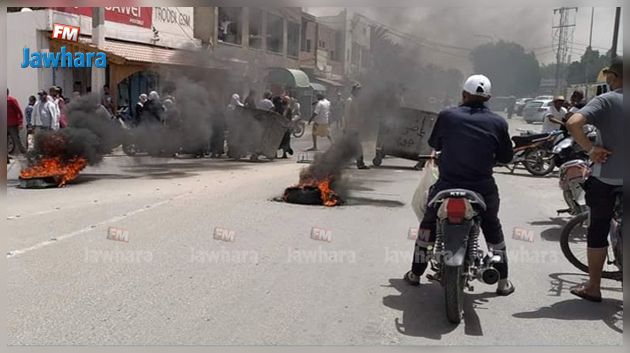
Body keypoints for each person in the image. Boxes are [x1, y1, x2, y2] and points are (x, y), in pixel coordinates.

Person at [403, 74, 515, 296]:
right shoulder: (498, 122)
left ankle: (415, 273)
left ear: (464, 94)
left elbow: (434, 143)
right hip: (482, 188)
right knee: (492, 227)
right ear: (488, 98)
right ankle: (502, 281)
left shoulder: (447, 116)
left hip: (447, 185)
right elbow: (506, 157)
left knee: (428, 226)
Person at [565, 56, 623, 303]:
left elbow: (573, 122)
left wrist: (590, 150)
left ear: (616, 77)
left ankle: (593, 287)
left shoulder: (607, 100)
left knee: (597, 230)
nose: (607, 80)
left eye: (609, 76)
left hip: (607, 179)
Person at [343, 83, 369, 169]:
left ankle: (345, 163)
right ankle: (360, 163)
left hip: (355, 128)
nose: (359, 92)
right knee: (357, 146)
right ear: (354, 90)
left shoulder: (355, 100)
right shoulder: (350, 100)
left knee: (352, 146)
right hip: (351, 128)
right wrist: (345, 127)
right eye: (358, 90)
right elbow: (346, 115)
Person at [7, 89, 27, 155]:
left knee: (17, 140)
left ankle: (25, 154)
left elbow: (19, 112)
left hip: (12, 125)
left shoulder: (11, 100)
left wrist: (20, 123)